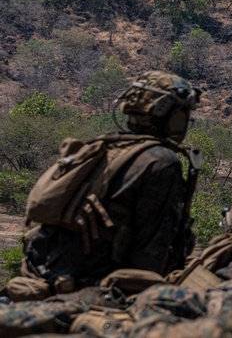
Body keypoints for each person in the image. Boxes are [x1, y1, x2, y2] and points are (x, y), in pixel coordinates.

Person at [8, 71, 201, 301]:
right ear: (170, 114)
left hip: (42, 275)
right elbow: (150, 253)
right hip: (92, 290)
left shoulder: (109, 147)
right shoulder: (161, 161)